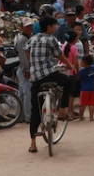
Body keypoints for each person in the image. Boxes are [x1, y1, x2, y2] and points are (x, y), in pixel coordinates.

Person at [27, 15, 75, 154]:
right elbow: (60, 56)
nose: (56, 27)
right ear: (49, 27)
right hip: (48, 74)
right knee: (68, 82)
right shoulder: (51, 39)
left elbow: (26, 50)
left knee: (35, 109)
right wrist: (69, 65)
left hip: (35, 77)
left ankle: (33, 144)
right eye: (54, 25)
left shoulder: (33, 38)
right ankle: (63, 110)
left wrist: (34, 62)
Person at [15, 18, 34, 123]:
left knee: (22, 94)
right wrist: (27, 69)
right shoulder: (22, 39)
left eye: (30, 26)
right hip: (24, 69)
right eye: (27, 27)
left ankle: (20, 116)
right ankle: (28, 117)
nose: (29, 28)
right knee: (27, 93)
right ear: (22, 28)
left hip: (23, 69)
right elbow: (23, 57)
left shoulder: (27, 38)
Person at [62, 29, 80, 118]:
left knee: (67, 93)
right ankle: (70, 111)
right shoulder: (74, 48)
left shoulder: (64, 45)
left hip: (63, 71)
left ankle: (70, 110)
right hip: (71, 72)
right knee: (72, 93)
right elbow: (76, 63)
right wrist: (77, 72)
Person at [78, 54, 94, 121]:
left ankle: (81, 117)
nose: (80, 63)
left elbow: (78, 78)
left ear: (85, 63)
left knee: (83, 104)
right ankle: (91, 117)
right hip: (93, 88)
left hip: (84, 89)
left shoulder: (82, 71)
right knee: (91, 103)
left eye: (82, 62)